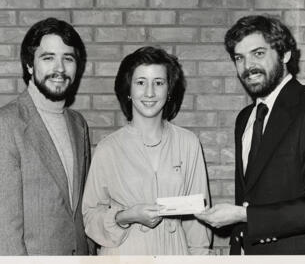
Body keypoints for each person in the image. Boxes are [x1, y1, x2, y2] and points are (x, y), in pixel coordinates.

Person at [195, 15, 305, 254]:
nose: (247, 67)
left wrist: (243, 215)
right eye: (239, 58)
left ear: (285, 54)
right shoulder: (245, 118)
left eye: (258, 54)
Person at [0, 18, 93, 255]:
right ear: (29, 65)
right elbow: (0, 236)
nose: (59, 68)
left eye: (68, 58)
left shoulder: (78, 124)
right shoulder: (2, 126)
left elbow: (80, 210)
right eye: (48, 58)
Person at [82, 46, 211, 255]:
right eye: (141, 82)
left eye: (158, 83)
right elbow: (89, 216)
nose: (149, 92)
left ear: (169, 90)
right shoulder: (108, 148)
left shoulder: (188, 143)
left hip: (174, 252)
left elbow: (198, 219)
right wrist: (126, 216)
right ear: (129, 90)